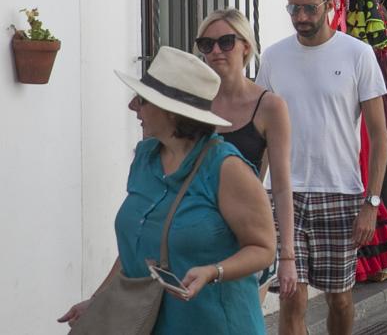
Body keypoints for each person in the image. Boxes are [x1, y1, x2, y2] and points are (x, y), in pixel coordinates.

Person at [58, 47, 275, 333]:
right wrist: (99, 301)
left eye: (142, 100)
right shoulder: (145, 157)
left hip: (216, 324)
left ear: (171, 112)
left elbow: (263, 248)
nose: (132, 106)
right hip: (150, 322)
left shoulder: (226, 168)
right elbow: (137, 246)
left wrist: (214, 271)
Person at [257, 0, 387, 335]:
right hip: (285, 194)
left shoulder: (358, 54)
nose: (301, 17)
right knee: (291, 296)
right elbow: (262, 134)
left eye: (309, 8)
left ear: (331, 5)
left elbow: (380, 136)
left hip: (340, 192)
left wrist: (372, 202)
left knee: (340, 299)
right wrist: (253, 190)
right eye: (294, 8)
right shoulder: (274, 58)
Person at [195, 8, 298, 302]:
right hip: (197, 229)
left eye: (226, 42)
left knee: (243, 317)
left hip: (248, 233)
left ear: (246, 47)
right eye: (206, 44)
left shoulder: (269, 106)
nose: (216, 51)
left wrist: (287, 255)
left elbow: (281, 185)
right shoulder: (193, 103)